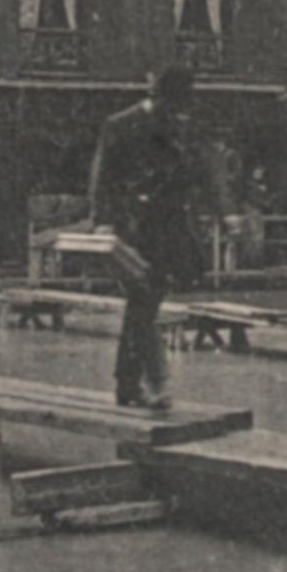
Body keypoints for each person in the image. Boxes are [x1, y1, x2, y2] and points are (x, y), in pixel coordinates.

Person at [89, 64, 239, 410]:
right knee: (143, 303)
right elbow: (103, 177)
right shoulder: (122, 126)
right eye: (174, 105)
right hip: (131, 230)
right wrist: (103, 221)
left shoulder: (179, 126)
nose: (179, 113)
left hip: (167, 230)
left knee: (142, 306)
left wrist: (227, 212)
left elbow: (208, 169)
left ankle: (130, 385)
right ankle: (150, 384)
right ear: (160, 98)